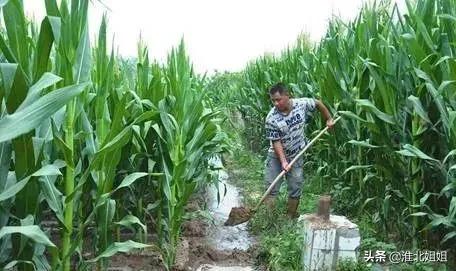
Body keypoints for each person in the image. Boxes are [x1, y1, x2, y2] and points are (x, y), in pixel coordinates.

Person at [264, 82, 334, 218]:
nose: (275, 103)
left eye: (278, 99)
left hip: (297, 153)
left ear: (287, 95)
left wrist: (329, 119)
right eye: (273, 100)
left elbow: (318, 103)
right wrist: (283, 162)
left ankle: (290, 217)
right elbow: (276, 142)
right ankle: (269, 219)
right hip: (276, 156)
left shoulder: (301, 104)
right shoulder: (271, 118)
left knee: (295, 187)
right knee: (271, 188)